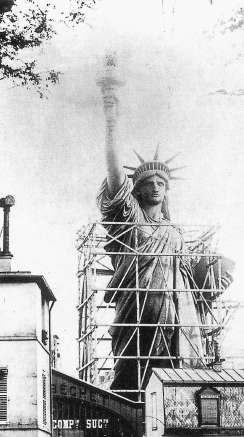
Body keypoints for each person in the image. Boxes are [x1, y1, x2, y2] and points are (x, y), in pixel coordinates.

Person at [97, 81, 207, 393]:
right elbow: (115, 173)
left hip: (173, 308)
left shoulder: (174, 232)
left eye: (162, 182)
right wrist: (111, 120)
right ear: (138, 188)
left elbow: (191, 279)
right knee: (133, 372)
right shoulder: (131, 217)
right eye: (150, 181)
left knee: (172, 377)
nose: (156, 186)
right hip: (138, 304)